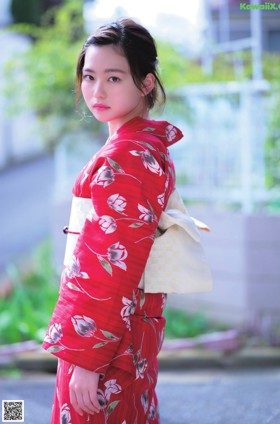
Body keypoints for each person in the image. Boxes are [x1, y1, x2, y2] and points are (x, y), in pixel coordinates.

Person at [42, 18, 183, 424]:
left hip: (106, 344)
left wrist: (86, 359)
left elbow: (110, 265)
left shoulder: (126, 157)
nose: (96, 91)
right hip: (124, 334)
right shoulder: (140, 146)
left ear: (146, 84)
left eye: (114, 77)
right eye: (89, 77)